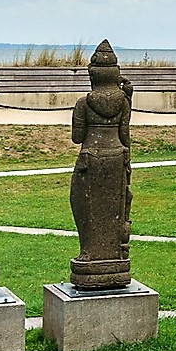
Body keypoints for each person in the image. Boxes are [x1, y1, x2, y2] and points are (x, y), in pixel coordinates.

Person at [69, 40, 134, 288]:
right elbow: (125, 134)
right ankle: (114, 256)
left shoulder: (84, 104)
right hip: (116, 156)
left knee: (84, 205)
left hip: (90, 158)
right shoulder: (123, 102)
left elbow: (77, 137)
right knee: (115, 208)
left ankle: (90, 252)